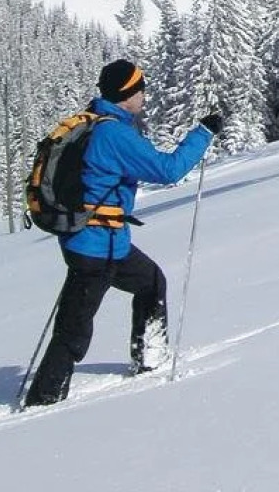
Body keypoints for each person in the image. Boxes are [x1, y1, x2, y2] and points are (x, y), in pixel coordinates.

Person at [23, 58, 218, 407]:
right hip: (98, 245)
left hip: (98, 240)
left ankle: (149, 358)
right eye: (139, 90)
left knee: (150, 282)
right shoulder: (114, 134)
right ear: (126, 94)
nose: (143, 95)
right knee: (75, 325)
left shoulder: (95, 122)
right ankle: (45, 398)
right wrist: (203, 134)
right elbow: (168, 170)